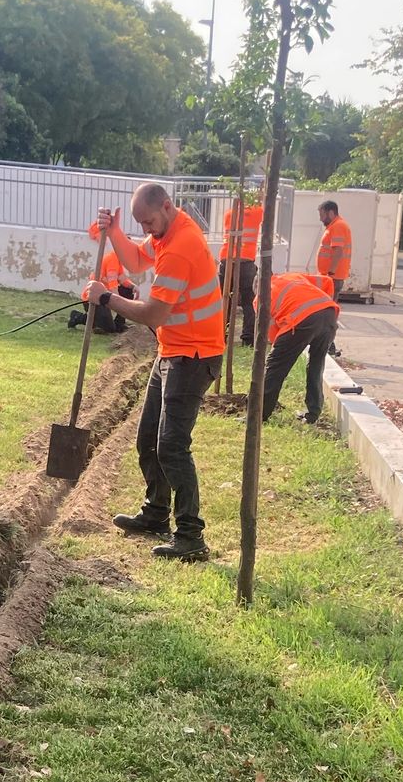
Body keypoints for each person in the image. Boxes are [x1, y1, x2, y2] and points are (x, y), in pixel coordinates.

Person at [94, 183, 225, 563]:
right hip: (173, 350)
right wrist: (116, 232)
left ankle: (190, 535)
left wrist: (106, 298)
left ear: (167, 207)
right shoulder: (168, 232)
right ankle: (155, 513)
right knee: (148, 438)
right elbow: (136, 262)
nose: (147, 230)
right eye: (141, 224)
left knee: (171, 445)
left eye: (149, 222)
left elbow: (152, 314)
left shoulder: (181, 246)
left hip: (194, 356)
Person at [262, 270, 339, 425]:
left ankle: (259, 414)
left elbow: (272, 335)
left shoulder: (260, 299)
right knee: (316, 365)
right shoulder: (292, 276)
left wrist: (277, 351)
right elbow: (327, 282)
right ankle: (313, 413)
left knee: (275, 367)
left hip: (302, 319)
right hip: (329, 312)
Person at [69, 218, 135, 334]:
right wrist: (121, 303)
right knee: (108, 329)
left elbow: (122, 279)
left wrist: (134, 286)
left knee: (128, 290)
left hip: (104, 295)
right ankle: (77, 317)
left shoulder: (119, 259)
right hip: (93, 296)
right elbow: (113, 285)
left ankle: (119, 323)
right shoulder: (113, 259)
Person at [219, 194, 264, 343]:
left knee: (225, 300)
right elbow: (263, 209)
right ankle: (248, 338)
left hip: (226, 259)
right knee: (249, 300)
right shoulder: (256, 212)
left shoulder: (229, 214)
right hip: (245, 261)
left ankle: (221, 335)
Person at [316, 200, 353, 298]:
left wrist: (330, 273)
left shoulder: (338, 226)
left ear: (331, 213)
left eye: (322, 215)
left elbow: (338, 250)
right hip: (331, 276)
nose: (320, 219)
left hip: (332, 276)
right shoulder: (334, 226)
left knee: (327, 305)